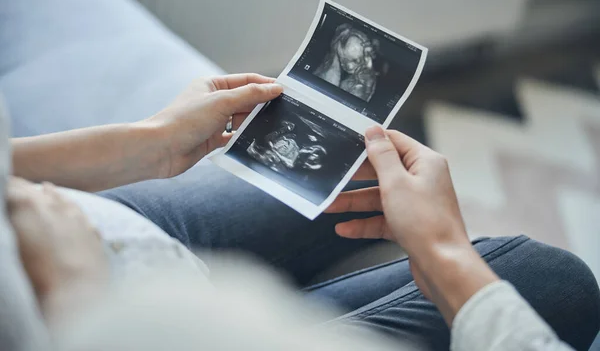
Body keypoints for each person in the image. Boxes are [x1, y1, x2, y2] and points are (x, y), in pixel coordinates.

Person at [7, 74, 600, 350]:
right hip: (125, 320)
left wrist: (146, 143)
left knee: (351, 167)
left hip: (103, 224)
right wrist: (79, 300)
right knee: (554, 279)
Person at [315, 24, 379, 102]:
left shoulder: (365, 80)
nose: (349, 66)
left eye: (356, 60)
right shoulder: (330, 59)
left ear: (367, 59)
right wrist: (335, 58)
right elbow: (320, 89)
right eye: (343, 59)